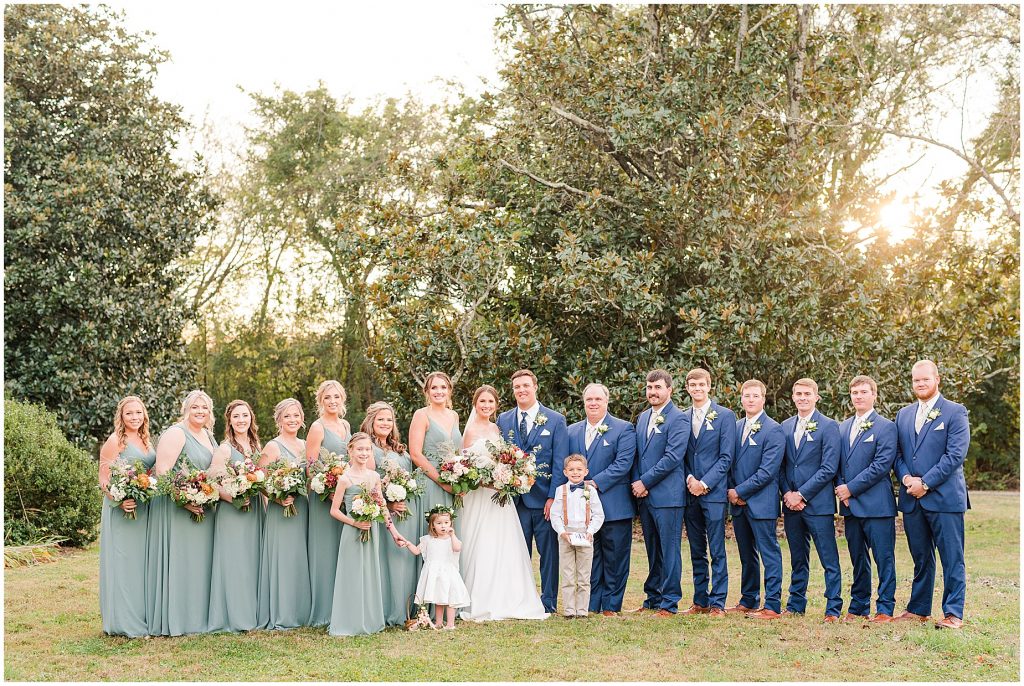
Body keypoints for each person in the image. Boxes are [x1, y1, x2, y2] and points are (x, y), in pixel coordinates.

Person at [458, 385, 548, 622]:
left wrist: (508, 477)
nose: (486, 406)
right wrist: (489, 482)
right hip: (479, 495)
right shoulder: (469, 431)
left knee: (503, 543)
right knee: (480, 543)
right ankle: (477, 598)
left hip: (501, 497)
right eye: (482, 402)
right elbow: (466, 468)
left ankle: (506, 596)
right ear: (475, 403)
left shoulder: (496, 428)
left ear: (496, 405)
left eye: (491, 402)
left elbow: (503, 459)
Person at [893, 360, 970, 630]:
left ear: (937, 379)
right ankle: (919, 608)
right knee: (921, 557)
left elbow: (955, 456)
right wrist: (905, 479)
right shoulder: (903, 414)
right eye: (916, 380)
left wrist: (925, 483)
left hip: (944, 499)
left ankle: (953, 613)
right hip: (912, 499)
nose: (920, 384)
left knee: (952, 558)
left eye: (925, 379)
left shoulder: (955, 412)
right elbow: (898, 454)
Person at [496, 368, 570, 614]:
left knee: (549, 554)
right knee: (517, 553)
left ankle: (548, 601)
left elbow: (560, 462)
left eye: (526, 385)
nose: (521, 390)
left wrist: (553, 497)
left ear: (535, 387)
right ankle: (520, 599)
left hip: (544, 500)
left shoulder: (555, 419)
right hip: (514, 500)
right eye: (517, 387)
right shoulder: (504, 419)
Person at [146, 390, 218, 636]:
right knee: (181, 561)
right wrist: (184, 499)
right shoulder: (176, 433)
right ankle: (177, 619)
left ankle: (197, 618)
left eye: (205, 408)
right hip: (177, 508)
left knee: (199, 563)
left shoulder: (208, 435)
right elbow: (163, 471)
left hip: (204, 506)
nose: (200, 411)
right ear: (186, 408)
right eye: (195, 407)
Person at [566, 383, 636, 616]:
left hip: (615, 504)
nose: (593, 403)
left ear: (607, 401)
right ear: (583, 402)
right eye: (589, 400)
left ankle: (611, 605)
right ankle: (591, 603)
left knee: (615, 557)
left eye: (598, 399)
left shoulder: (623, 429)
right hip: (582, 510)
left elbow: (623, 464)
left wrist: (594, 482)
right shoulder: (572, 431)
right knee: (590, 557)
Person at [328, 432, 405, 636]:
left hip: (372, 533)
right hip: (352, 533)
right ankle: (349, 622)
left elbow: (382, 507)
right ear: (350, 451)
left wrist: (394, 533)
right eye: (360, 449)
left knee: (369, 574)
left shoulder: (374, 476)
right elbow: (334, 511)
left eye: (367, 449)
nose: (364, 453)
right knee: (352, 575)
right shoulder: (345, 479)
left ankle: (370, 621)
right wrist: (355, 522)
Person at [836, 375, 898, 623]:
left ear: (874, 395)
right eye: (854, 392)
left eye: (863, 392)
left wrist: (850, 488)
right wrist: (841, 488)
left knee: (884, 558)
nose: (858, 396)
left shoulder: (886, 427)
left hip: (877, 506)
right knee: (857, 558)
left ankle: (885, 608)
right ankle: (859, 605)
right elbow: (837, 463)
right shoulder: (842, 427)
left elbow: (881, 465)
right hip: (850, 506)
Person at [780, 378, 843, 622]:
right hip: (791, 505)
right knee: (798, 557)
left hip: (818, 505)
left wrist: (802, 494)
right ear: (793, 397)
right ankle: (796, 603)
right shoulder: (784, 427)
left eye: (807, 393)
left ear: (816, 397)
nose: (802, 397)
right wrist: (787, 493)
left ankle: (833, 607)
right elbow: (782, 466)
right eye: (798, 394)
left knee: (829, 558)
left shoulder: (828, 426)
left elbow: (828, 468)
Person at [630, 369, 689, 616]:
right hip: (645, 497)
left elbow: (673, 457)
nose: (653, 392)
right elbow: (637, 455)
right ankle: (652, 598)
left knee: (669, 549)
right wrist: (637, 483)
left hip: (668, 497)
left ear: (669, 390)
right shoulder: (643, 417)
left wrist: (644, 482)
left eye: (658, 388)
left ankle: (669, 601)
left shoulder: (679, 418)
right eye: (649, 388)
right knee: (653, 549)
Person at [727, 380, 785, 620]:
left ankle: (772, 605)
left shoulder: (773, 429)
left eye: (755, 396)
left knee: (768, 553)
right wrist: (732, 491)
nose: (750, 400)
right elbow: (728, 461)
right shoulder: (736, 426)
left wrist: (740, 491)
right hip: (737, 503)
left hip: (761, 502)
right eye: (746, 396)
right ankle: (749, 599)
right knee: (746, 554)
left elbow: (768, 470)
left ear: (763, 399)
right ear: (741, 399)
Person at [98, 395, 156, 637]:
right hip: (123, 509)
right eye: (129, 413)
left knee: (142, 563)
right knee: (124, 563)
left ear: (145, 415)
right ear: (121, 416)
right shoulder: (116, 441)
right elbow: (103, 478)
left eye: (138, 413)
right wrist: (120, 500)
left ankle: (143, 616)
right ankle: (124, 622)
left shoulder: (147, 440)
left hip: (144, 508)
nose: (135, 417)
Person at [680, 368, 736, 617]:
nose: (697, 388)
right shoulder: (682, 417)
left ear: (709, 386)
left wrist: (705, 483)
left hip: (712, 493)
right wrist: (690, 479)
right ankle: (700, 600)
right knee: (696, 549)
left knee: (716, 549)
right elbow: (680, 453)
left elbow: (726, 457)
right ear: (687, 388)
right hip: (689, 491)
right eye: (692, 385)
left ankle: (718, 603)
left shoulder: (725, 416)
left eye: (701, 384)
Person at [362, 401, 421, 627]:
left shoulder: (399, 448)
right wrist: (389, 501)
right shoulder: (368, 447)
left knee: (405, 560)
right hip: (386, 515)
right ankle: (388, 611)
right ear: (371, 422)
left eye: (389, 420)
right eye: (380, 420)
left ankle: (407, 610)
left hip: (407, 513)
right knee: (389, 563)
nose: (385, 423)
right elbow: (367, 483)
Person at [208, 400, 264, 632]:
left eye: (245, 416)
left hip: (254, 511)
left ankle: (252, 611)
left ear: (251, 418)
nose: (241, 420)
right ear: (229, 421)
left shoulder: (256, 446)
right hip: (232, 512)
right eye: (236, 417)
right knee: (234, 562)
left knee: (252, 560)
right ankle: (233, 617)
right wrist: (232, 496)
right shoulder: (224, 449)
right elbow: (210, 482)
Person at [256, 398, 312, 630]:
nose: (292, 420)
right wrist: (277, 497)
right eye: (287, 416)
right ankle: (283, 613)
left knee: (301, 559)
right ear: (279, 419)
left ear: (302, 419)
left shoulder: (306, 445)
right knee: (284, 560)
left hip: (303, 509)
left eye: (296, 415)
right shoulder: (273, 446)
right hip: (281, 512)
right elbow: (258, 480)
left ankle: (302, 611)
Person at [305, 380, 351, 627]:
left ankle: (342, 605)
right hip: (325, 497)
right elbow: (311, 467)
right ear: (321, 401)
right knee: (325, 551)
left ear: (342, 399)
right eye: (328, 398)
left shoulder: (345, 425)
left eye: (337, 397)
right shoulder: (317, 427)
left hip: (345, 496)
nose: (332, 402)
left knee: (341, 550)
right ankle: (324, 610)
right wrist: (329, 491)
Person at [550, 454, 605, 619]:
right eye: (571, 469)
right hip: (566, 535)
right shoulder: (561, 490)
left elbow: (598, 515)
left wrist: (590, 532)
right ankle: (568, 610)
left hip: (585, 535)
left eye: (579, 469)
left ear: (586, 471)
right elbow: (555, 515)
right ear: (565, 472)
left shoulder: (591, 491)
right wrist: (561, 532)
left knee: (584, 575)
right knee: (567, 574)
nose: (575, 472)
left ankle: (582, 610)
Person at [408, 371, 462, 535]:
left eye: (443, 387)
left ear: (449, 390)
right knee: (433, 532)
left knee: (449, 532)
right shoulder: (421, 414)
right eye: (434, 388)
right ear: (427, 392)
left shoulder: (454, 415)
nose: (439, 391)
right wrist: (441, 482)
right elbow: (415, 454)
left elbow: (456, 450)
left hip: (452, 481)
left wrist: (460, 478)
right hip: (430, 482)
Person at [403, 505, 471, 630]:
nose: (443, 526)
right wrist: (408, 544)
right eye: (439, 523)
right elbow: (417, 551)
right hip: (434, 573)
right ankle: (438, 622)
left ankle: (450, 624)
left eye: (446, 522)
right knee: (438, 599)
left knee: (451, 598)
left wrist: (452, 535)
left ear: (451, 523)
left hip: (448, 573)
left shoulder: (452, 539)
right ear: (432, 525)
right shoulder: (427, 540)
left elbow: (457, 548)